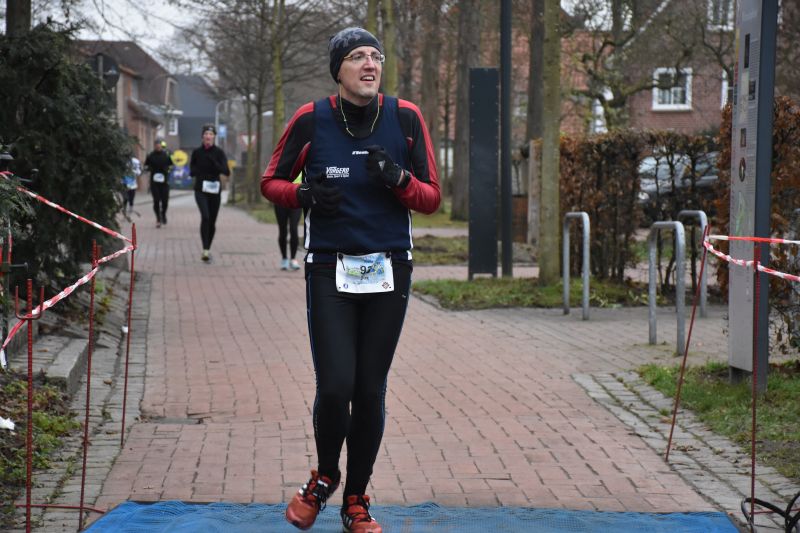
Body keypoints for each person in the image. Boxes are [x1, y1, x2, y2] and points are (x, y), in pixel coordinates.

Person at [261, 27, 440, 533]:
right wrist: (304, 197)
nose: (369, 64)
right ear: (337, 70)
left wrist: (400, 181)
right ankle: (326, 476)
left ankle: (356, 498)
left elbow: (432, 197)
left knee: (370, 388)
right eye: (357, 56)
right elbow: (271, 181)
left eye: (375, 56)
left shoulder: (406, 118)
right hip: (329, 267)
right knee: (337, 383)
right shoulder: (311, 118)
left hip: (388, 267)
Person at [190, 124, 230, 261]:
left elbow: (226, 171)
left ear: (214, 137)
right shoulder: (197, 152)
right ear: (202, 137)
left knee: (212, 221)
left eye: (211, 134)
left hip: (214, 190)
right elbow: (191, 170)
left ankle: (207, 248)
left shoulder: (219, 153)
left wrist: (215, 164)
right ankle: (205, 249)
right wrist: (197, 171)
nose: (208, 136)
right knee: (205, 217)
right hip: (200, 189)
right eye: (206, 134)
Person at [144, 138, 173, 227]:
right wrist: (149, 169)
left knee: (165, 201)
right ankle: (158, 218)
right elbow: (146, 166)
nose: (158, 146)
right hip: (154, 182)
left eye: (159, 145)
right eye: (156, 145)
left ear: (161, 145)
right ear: (154, 146)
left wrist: (167, 170)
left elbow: (171, 165)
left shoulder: (166, 155)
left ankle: (163, 214)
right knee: (156, 200)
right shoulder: (150, 155)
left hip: (164, 182)